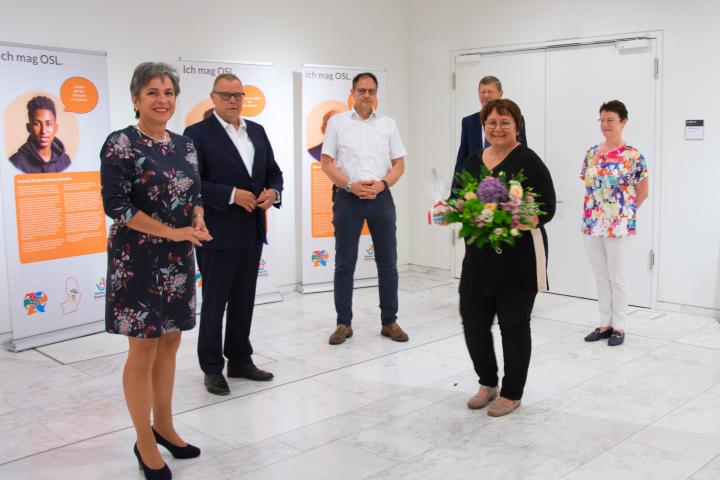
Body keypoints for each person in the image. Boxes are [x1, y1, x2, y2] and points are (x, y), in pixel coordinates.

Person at [101, 62, 211, 480]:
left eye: (168, 91)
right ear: (135, 99)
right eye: (152, 92)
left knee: (171, 342)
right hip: (138, 260)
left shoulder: (184, 145)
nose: (162, 99)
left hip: (178, 256)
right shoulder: (121, 144)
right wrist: (172, 230)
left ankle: (164, 426)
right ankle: (144, 440)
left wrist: (197, 220)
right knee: (143, 350)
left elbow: (194, 193)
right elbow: (117, 206)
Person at [184, 73, 283, 396]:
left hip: (252, 229)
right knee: (215, 302)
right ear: (213, 98)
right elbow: (192, 182)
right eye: (226, 95)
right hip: (217, 231)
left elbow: (273, 171)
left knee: (244, 299)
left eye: (237, 95)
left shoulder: (256, 131)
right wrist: (230, 194)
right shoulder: (196, 134)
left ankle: (240, 358)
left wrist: (273, 192)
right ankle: (212, 367)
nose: (232, 101)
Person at [456, 99, 555, 417]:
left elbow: (546, 208)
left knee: (513, 325)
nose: (497, 128)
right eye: (492, 123)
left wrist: (508, 213)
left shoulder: (529, 160)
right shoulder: (472, 161)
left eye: (504, 122)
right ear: (483, 126)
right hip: (479, 257)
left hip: (519, 258)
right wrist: (459, 208)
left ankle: (512, 393)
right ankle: (487, 383)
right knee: (473, 321)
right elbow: (457, 197)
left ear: (518, 126)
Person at [320, 72, 408, 345]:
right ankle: (343, 323)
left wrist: (382, 184)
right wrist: (349, 186)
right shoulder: (337, 123)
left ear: (376, 93)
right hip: (348, 197)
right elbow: (327, 162)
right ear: (353, 93)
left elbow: (399, 164)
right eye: (361, 90)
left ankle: (389, 321)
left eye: (370, 90)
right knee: (345, 264)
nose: (366, 95)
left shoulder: (388, 124)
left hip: (380, 196)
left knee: (388, 264)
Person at [581, 100, 648, 347]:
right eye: (602, 120)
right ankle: (604, 323)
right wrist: (599, 213)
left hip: (619, 225)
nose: (605, 124)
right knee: (600, 276)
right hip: (592, 223)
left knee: (617, 277)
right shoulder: (591, 153)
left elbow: (642, 191)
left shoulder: (633, 155)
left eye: (610, 119)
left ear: (623, 122)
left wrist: (623, 214)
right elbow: (590, 187)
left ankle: (619, 326)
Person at [454, 76, 527, 175]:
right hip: (476, 183)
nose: (486, 95)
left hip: (508, 179)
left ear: (501, 94)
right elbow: (462, 158)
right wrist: (455, 189)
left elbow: (523, 150)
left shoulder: (514, 118)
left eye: (490, 92)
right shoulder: (469, 122)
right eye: (483, 92)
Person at [10, 95, 71, 173]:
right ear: (29, 128)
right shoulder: (15, 162)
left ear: (55, 128)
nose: (43, 131)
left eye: (48, 124)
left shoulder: (65, 161)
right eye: (36, 124)